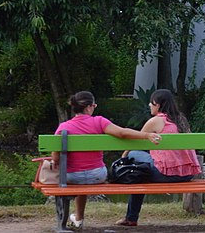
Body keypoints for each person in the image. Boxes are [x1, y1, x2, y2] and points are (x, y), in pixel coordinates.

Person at [51, 90, 149, 229]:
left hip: (72, 177)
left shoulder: (64, 127)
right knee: (86, 178)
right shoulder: (99, 121)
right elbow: (121, 133)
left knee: (80, 181)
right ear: (88, 107)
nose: (94, 108)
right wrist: (146, 135)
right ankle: (78, 218)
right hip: (97, 175)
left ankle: (76, 220)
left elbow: (55, 158)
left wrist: (55, 161)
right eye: (94, 106)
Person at [116, 89, 202, 226]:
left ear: (158, 104)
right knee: (141, 172)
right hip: (186, 174)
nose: (150, 105)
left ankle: (131, 218)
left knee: (134, 156)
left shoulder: (155, 121)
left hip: (165, 174)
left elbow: (136, 141)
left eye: (152, 103)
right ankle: (131, 218)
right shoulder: (181, 119)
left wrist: (123, 157)